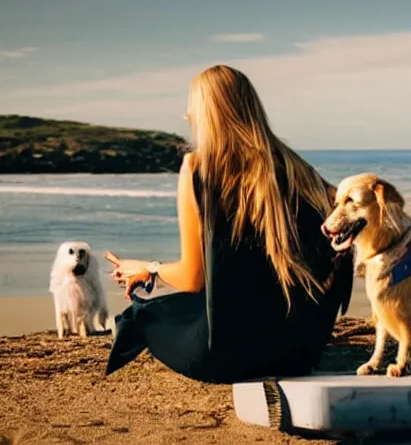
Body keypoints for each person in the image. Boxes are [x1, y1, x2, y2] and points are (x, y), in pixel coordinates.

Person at [104, 65, 353, 384]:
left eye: (192, 110)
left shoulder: (198, 167)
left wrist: (149, 268)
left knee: (142, 314)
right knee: (181, 304)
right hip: (299, 353)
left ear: (205, 115)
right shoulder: (298, 171)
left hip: (222, 357)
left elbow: (192, 278)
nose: (187, 117)